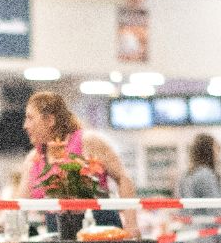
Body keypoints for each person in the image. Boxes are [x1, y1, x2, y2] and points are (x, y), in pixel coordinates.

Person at [14, 91, 138, 234]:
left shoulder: (88, 141)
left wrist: (132, 225)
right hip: (58, 233)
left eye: (30, 118)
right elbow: (18, 205)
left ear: (50, 121)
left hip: (100, 228)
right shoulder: (33, 158)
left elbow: (123, 178)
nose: (25, 125)